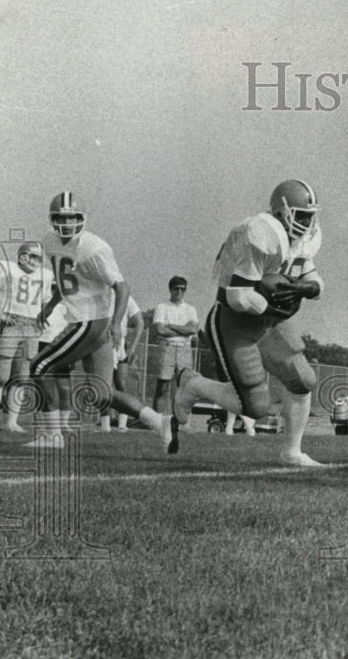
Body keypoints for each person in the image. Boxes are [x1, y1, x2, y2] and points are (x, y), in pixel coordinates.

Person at [171, 179, 325, 467]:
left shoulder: (302, 240)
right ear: (281, 212)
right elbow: (239, 296)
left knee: (303, 380)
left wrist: (307, 289)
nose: (307, 221)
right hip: (234, 320)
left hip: (268, 321)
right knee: (254, 407)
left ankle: (292, 451)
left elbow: (313, 277)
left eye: (310, 214)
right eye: (301, 214)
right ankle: (193, 385)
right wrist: (277, 302)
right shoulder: (261, 232)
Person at [26, 192, 173, 449]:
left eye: (72, 218)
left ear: (81, 219)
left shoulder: (95, 248)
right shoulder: (48, 240)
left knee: (40, 365)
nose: (66, 223)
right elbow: (65, 280)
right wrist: (49, 307)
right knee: (100, 395)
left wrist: (117, 324)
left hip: (91, 322)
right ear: (52, 219)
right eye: (60, 217)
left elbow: (123, 288)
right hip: (86, 322)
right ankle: (159, 422)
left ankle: (52, 436)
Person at [0, 241, 52, 433]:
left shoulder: (45, 275)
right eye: (32, 256)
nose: (35, 261)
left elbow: (45, 301)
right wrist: (0, 314)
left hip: (31, 327)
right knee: (1, 377)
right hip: (12, 325)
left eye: (38, 257)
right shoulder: (8, 269)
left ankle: (11, 422)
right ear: (22, 255)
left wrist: (44, 317)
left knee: (21, 378)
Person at [151, 276, 199, 414]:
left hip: (184, 349)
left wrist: (171, 326)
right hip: (167, 348)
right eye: (176, 288)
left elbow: (193, 330)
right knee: (163, 385)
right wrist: (183, 330)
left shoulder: (190, 309)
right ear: (170, 289)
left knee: (183, 386)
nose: (179, 291)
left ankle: (179, 420)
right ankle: (158, 420)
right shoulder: (162, 306)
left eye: (182, 289)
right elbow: (160, 330)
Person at [99, 295, 144, 432]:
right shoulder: (101, 294)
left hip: (120, 343)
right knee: (104, 385)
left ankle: (122, 424)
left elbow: (139, 322)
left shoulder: (126, 298)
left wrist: (133, 346)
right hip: (104, 342)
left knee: (121, 383)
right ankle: (105, 425)